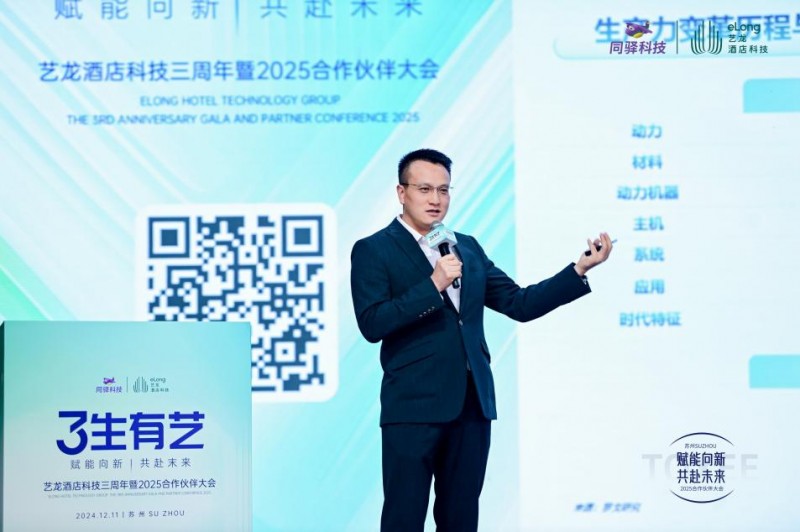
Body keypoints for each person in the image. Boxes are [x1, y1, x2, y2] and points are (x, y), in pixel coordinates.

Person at [350, 148, 612, 531]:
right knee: (404, 519)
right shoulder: (374, 249)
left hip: (471, 407)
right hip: (413, 408)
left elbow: (519, 303)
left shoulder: (466, 247)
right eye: (424, 189)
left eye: (443, 190)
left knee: (461, 519)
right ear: (401, 192)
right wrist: (433, 285)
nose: (436, 199)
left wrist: (579, 269)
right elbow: (373, 323)